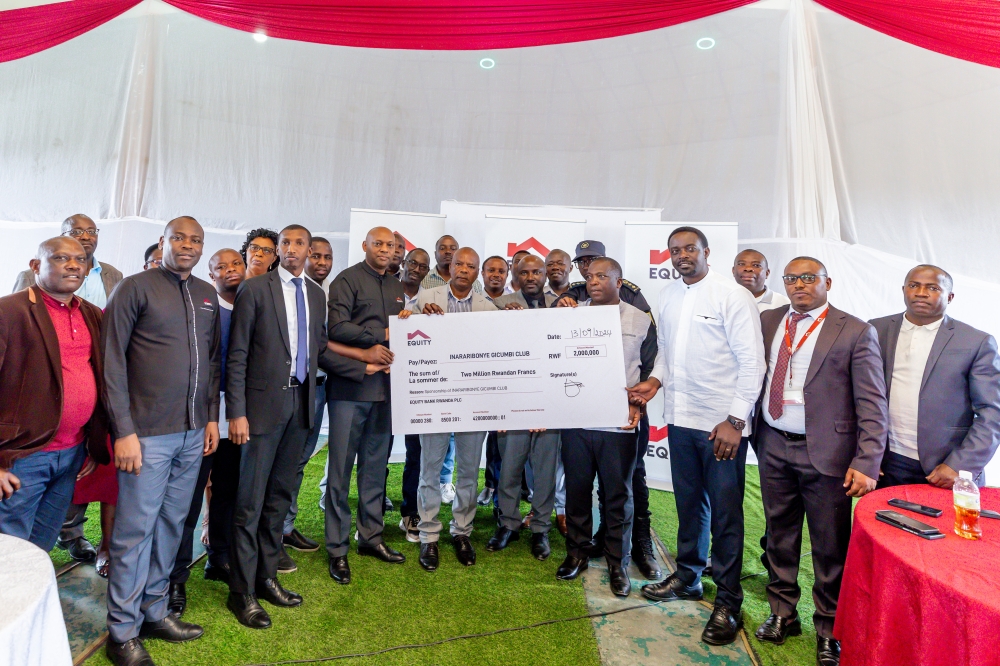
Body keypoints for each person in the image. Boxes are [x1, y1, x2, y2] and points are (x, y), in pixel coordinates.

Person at [226, 225, 368, 629]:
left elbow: (318, 350)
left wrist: (364, 367)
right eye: (284, 243)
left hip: (302, 405)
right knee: (250, 501)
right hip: (261, 408)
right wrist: (237, 412)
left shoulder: (315, 294)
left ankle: (266, 577)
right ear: (277, 250)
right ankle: (242, 593)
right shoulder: (255, 289)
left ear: (310, 250)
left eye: (298, 243)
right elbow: (237, 356)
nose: (291, 249)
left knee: (280, 496)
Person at [749, 257, 886, 666]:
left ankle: (829, 628)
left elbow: (872, 401)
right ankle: (782, 612)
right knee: (779, 534)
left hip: (826, 452)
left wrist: (867, 460)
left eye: (809, 278)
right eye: (792, 279)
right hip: (773, 443)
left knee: (829, 545)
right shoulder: (770, 320)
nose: (799, 285)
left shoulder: (856, 330)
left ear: (828, 282)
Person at [635, 226, 765, 647]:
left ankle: (728, 601)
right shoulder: (670, 296)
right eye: (675, 250)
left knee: (727, 514)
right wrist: (655, 382)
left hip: (721, 427)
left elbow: (753, 364)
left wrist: (736, 420)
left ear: (706, 252)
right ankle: (689, 577)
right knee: (689, 504)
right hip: (680, 418)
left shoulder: (733, 295)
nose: (682, 255)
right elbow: (668, 354)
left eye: (689, 248)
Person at [102, 216, 220, 666]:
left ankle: (154, 611)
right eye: (179, 238)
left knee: (173, 525)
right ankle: (122, 631)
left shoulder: (206, 294)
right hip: (145, 435)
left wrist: (210, 418)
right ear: (163, 241)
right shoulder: (133, 288)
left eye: (195, 240)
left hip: (193, 433)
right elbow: (111, 363)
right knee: (135, 531)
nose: (187, 246)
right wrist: (124, 431)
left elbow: (211, 363)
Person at [13, 214, 124, 565]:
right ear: (36, 266)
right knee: (11, 544)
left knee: (42, 541)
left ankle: (32, 611)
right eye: (62, 258)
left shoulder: (91, 313)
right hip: (24, 455)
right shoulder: (10, 312)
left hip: (73, 452)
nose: (74, 265)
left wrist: (92, 441)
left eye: (80, 259)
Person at [557, 239, 660, 580]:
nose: (594, 281)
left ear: (619, 282)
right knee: (577, 492)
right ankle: (577, 553)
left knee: (618, 496)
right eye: (590, 277)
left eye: (603, 276)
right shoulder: (571, 315)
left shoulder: (640, 320)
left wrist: (641, 404)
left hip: (619, 425)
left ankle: (618, 563)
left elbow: (649, 370)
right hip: (578, 420)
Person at [400, 247, 497, 571]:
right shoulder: (427, 297)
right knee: (429, 471)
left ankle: (462, 532)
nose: (464, 270)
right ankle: (428, 537)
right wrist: (412, 315)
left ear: (477, 271)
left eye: (471, 266)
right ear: (450, 266)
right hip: (435, 399)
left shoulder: (489, 308)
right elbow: (403, 329)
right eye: (460, 264)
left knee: (468, 472)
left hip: (473, 402)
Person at [323, 227, 406, 586]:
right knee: (340, 472)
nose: (385, 250)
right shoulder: (347, 279)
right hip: (350, 389)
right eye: (379, 244)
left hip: (388, 390)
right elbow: (336, 327)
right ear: (365, 246)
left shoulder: (397, 286)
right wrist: (381, 336)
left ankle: (370, 537)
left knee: (375, 468)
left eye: (391, 245)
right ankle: (337, 549)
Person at [870, 265, 1000, 488]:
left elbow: (992, 412)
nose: (921, 292)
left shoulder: (976, 341)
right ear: (903, 290)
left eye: (932, 287)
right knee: (885, 522)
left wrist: (960, 464)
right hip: (886, 462)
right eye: (914, 285)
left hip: (945, 468)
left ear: (949, 297)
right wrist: (866, 455)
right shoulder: (874, 329)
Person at [167, 248, 245, 616]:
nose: (230, 270)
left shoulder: (252, 303)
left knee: (229, 490)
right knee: (189, 498)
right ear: (210, 274)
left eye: (236, 264)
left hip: (240, 416)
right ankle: (175, 578)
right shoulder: (204, 305)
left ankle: (219, 558)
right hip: (205, 414)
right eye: (221, 267)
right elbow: (208, 364)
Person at [488, 255, 560, 560]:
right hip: (513, 403)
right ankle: (508, 523)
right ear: (515, 274)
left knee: (544, 472)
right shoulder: (499, 305)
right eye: (524, 272)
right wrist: (498, 406)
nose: (531, 277)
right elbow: (488, 353)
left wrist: (550, 407)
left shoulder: (562, 306)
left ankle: (541, 528)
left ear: (545, 274)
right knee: (509, 470)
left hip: (550, 404)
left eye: (537, 272)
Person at [280, 237, 336, 569]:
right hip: (294, 387)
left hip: (322, 385)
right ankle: (273, 531)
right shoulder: (286, 290)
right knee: (287, 461)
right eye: (315, 255)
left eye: (327, 257)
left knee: (300, 459)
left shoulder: (325, 293)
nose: (321, 261)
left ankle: (285, 526)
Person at [396, 248, 431, 542]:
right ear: (404, 263)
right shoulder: (386, 289)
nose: (417, 269)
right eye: (413, 263)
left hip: (416, 385)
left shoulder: (432, 300)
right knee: (376, 452)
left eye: (423, 266)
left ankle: (410, 513)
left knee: (415, 452)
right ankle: (368, 517)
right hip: (381, 381)